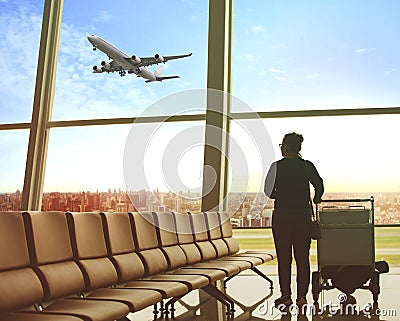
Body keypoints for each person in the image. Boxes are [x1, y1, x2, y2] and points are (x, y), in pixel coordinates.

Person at [264, 132, 324, 309]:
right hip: (303, 216)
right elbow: (319, 185)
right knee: (302, 258)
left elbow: (268, 191)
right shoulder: (306, 166)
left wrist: (280, 195)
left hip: (282, 215)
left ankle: (286, 295)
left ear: (286, 147)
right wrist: (316, 199)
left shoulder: (276, 166)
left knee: (284, 258)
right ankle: (302, 297)